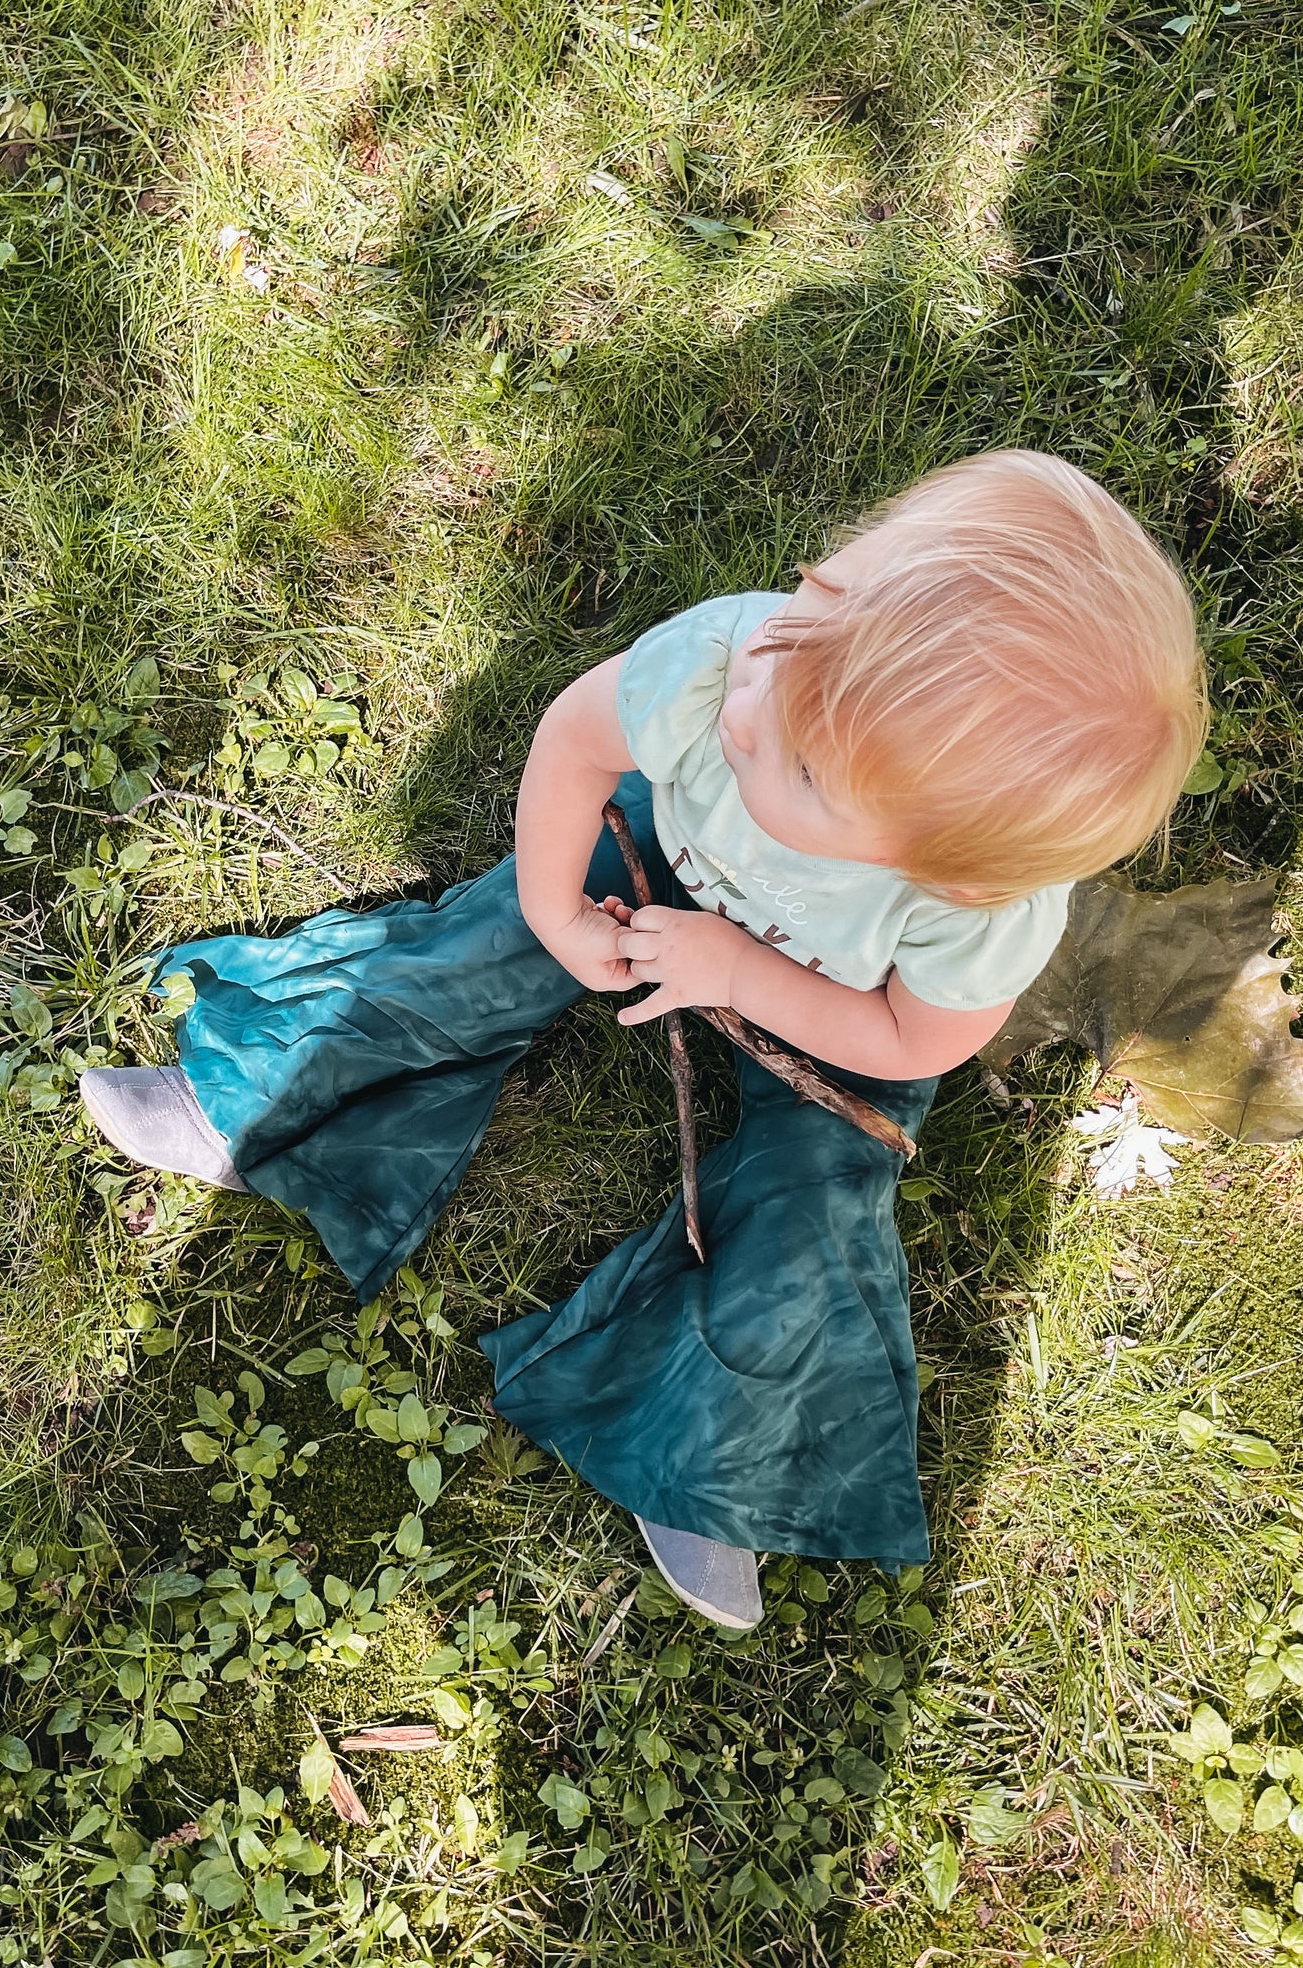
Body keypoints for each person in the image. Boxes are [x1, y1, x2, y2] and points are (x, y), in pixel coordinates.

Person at [80, 450, 1207, 1629]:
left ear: (928, 864)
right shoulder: (745, 657)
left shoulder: (969, 912)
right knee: (478, 944)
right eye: (810, 606)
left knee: (815, 1194)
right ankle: (260, 1095)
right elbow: (575, 745)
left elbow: (903, 1040)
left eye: (805, 761)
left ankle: (708, 1452)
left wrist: (736, 971)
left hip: (827, 1000)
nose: (746, 704)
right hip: (651, 862)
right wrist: (559, 912)